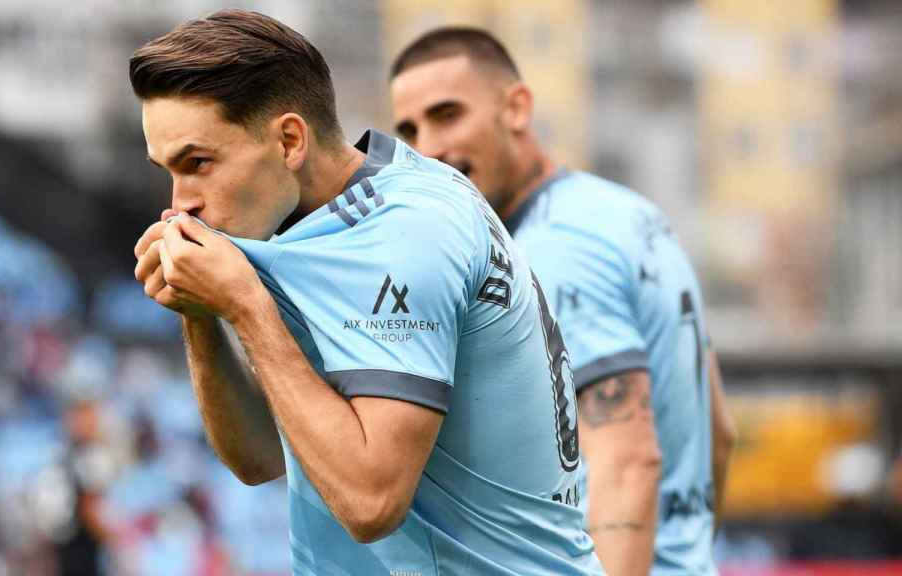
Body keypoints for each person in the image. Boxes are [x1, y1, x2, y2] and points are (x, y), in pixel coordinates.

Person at [129, 10, 604, 575]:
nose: (180, 203)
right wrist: (200, 314)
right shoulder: (312, 226)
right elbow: (258, 459)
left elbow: (370, 504)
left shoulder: (407, 233)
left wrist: (246, 307)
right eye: (168, 171)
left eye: (198, 163)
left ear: (289, 141)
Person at [390, 27, 738, 576]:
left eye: (448, 115)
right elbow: (718, 433)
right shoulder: (625, 214)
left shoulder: (553, 250)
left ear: (516, 108)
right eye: (410, 130)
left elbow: (627, 462)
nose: (428, 148)